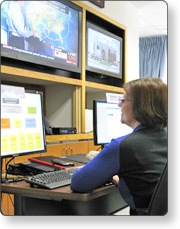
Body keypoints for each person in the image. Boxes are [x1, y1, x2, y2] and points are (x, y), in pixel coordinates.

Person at [70, 78, 167, 215]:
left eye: (123, 100)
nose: (118, 105)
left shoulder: (122, 146)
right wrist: (121, 180)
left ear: (141, 106)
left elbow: (79, 183)